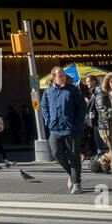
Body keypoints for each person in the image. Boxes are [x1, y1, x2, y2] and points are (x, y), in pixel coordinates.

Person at [41, 65, 87, 194]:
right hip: (55, 129)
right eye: (60, 75)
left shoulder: (72, 90)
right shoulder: (48, 92)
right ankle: (70, 174)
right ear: (54, 77)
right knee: (56, 153)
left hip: (71, 129)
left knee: (74, 157)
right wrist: (49, 121)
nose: (63, 77)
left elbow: (82, 107)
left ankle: (77, 183)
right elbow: (44, 107)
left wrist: (77, 123)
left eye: (64, 75)